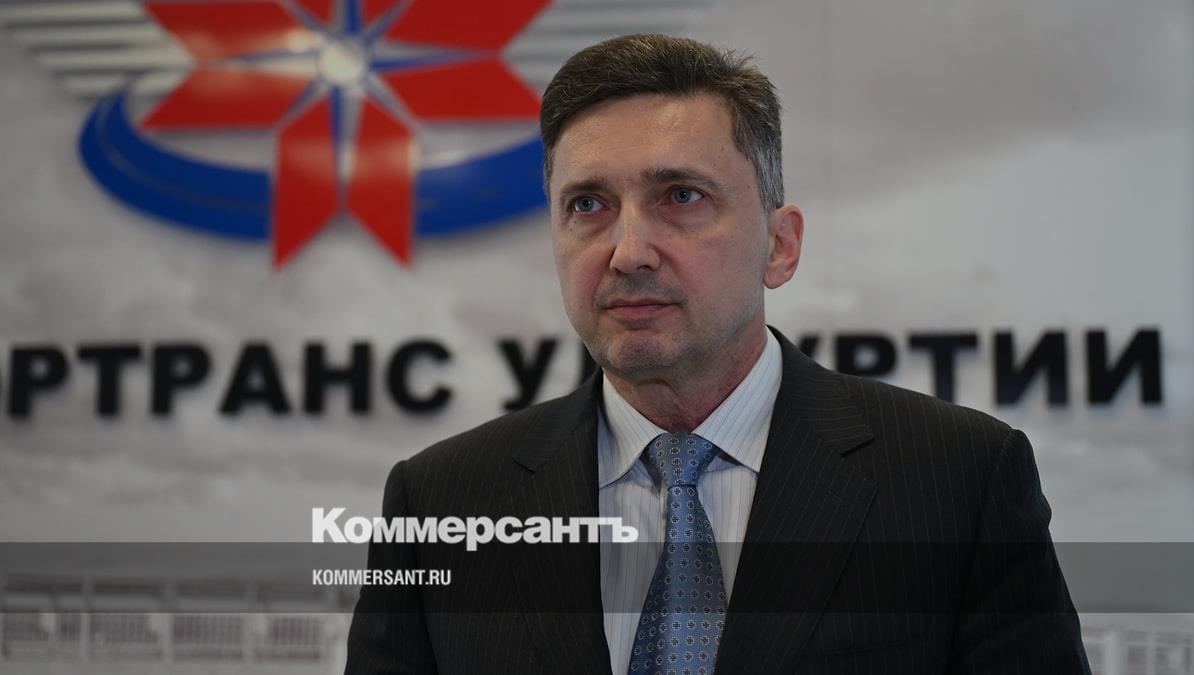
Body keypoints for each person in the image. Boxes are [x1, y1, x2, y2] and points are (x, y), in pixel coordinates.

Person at [345, 34, 1091, 674]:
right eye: (588, 205)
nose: (628, 252)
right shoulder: (438, 501)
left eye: (681, 196)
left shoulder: (959, 481)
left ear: (780, 244)